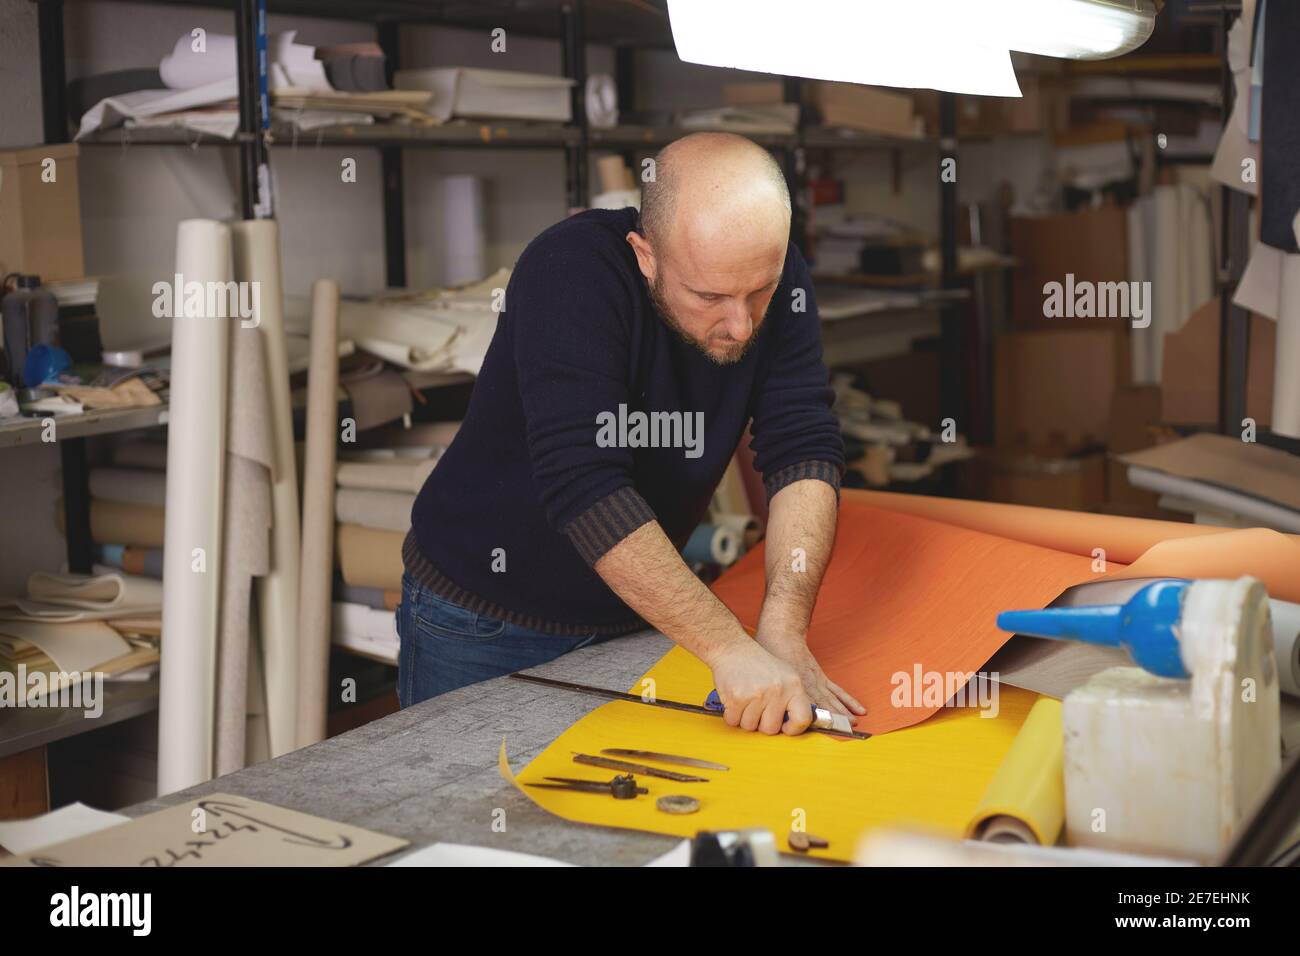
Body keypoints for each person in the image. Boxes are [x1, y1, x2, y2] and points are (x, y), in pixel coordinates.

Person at [398, 131, 863, 735]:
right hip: (484, 616)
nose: (741, 324)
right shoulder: (568, 272)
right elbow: (585, 483)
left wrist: (782, 624)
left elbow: (802, 446)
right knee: (462, 812)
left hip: (644, 608)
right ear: (646, 255)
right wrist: (728, 647)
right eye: (710, 296)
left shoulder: (773, 272)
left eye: (760, 292)